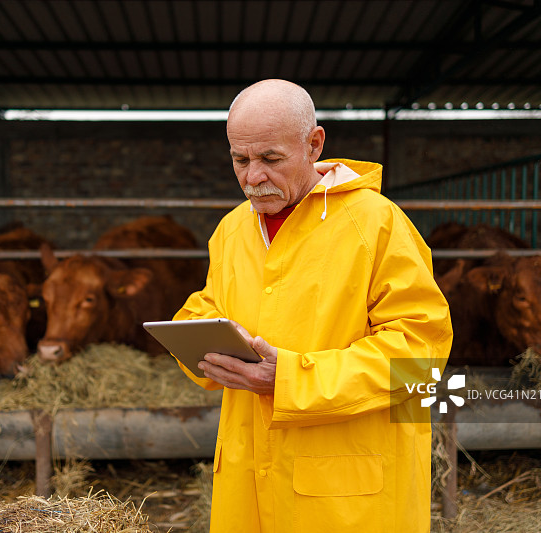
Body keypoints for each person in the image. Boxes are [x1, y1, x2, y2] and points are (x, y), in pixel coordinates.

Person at [172, 79, 453, 532]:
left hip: (347, 499)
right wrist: (192, 343)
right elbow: (209, 308)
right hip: (248, 487)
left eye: (270, 159)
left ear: (314, 144)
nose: (253, 177)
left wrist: (292, 379)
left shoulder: (376, 224)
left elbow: (420, 358)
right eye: (239, 160)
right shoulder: (232, 230)